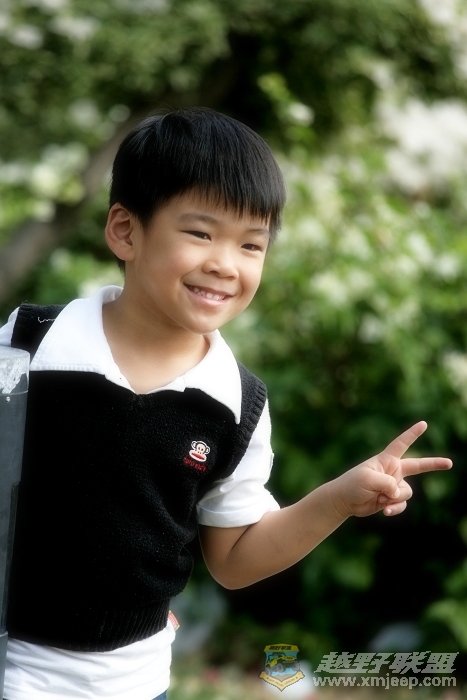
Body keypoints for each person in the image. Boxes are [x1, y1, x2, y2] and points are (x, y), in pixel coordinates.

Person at [0, 107, 452, 700]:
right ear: (126, 231)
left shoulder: (233, 403)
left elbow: (235, 559)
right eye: (200, 233)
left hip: (133, 684)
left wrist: (339, 499)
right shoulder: (31, 345)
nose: (225, 263)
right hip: (14, 669)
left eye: (251, 244)